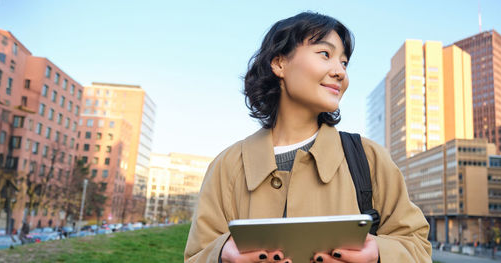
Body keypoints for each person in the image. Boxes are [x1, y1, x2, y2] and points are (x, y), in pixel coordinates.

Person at [184, 12, 432, 263]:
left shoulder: (368, 158)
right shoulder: (227, 166)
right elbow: (196, 256)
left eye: (344, 63)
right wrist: (221, 255)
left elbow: (419, 248)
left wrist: (378, 254)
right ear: (279, 63)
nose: (340, 72)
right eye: (325, 54)